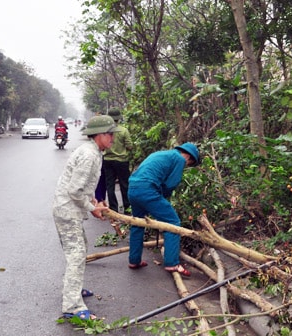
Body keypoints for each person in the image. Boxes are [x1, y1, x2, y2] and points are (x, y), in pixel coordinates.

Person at [52, 115, 121, 320]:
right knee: (76, 254)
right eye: (109, 134)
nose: (112, 139)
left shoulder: (95, 152)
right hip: (67, 210)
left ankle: (74, 289)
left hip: (69, 208)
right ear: (98, 135)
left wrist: (97, 201)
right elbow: (74, 190)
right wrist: (92, 208)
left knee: (80, 247)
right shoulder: (90, 155)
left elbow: (85, 186)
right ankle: (72, 306)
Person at [127, 142, 200, 276]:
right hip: (147, 190)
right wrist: (163, 197)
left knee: (137, 223)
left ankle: (134, 260)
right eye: (189, 164)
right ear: (188, 158)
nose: (186, 166)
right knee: (172, 222)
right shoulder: (179, 159)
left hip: (132, 188)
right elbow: (171, 184)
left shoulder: (162, 153)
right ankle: (172, 263)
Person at [103, 108, 133, 214]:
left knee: (110, 185)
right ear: (118, 119)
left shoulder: (105, 131)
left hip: (107, 160)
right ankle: (127, 208)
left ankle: (113, 208)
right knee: (124, 184)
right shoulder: (123, 130)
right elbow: (129, 146)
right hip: (122, 161)